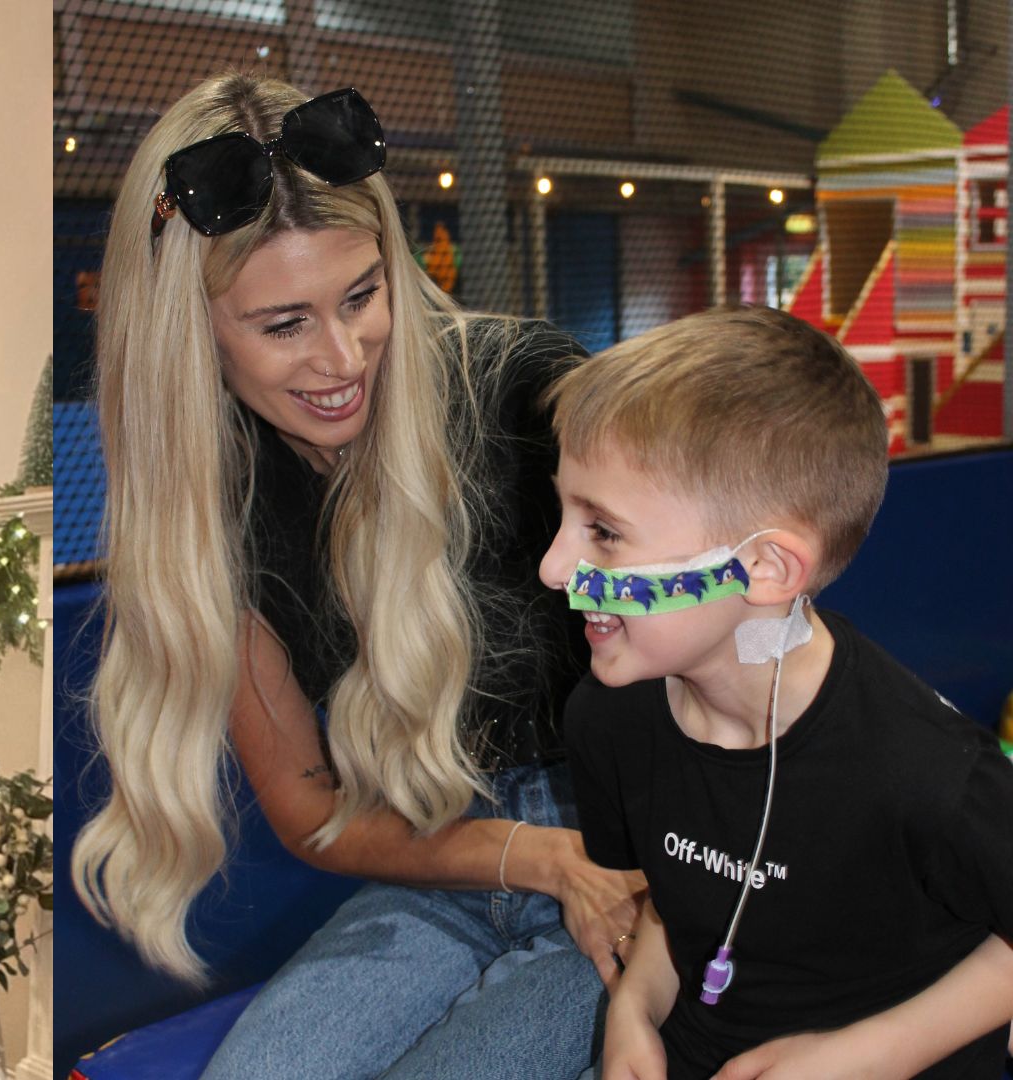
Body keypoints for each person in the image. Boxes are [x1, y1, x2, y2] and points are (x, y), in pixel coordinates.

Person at [70, 71, 646, 1078]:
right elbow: (310, 814)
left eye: (362, 296)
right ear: (192, 329)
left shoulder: (519, 391)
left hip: (630, 852)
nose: (342, 357)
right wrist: (527, 857)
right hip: (444, 864)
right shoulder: (216, 509)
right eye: (283, 324)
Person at [543, 306, 1013, 1079]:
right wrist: (634, 1009)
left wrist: (864, 1058)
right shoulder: (609, 716)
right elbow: (683, 901)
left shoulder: (926, 772)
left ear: (763, 569)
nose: (554, 569)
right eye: (566, 513)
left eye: (605, 532)